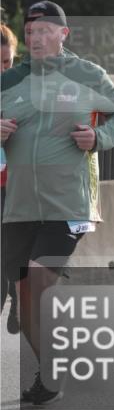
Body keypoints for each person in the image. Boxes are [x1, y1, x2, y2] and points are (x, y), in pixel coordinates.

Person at [1, 1, 114, 405]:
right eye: (30, 32)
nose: (36, 38)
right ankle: (52, 371)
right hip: (19, 207)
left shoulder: (87, 75)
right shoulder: (11, 80)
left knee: (39, 284)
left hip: (67, 206)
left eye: (45, 31)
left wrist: (99, 139)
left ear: (63, 34)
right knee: (24, 305)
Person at [1, 23, 18, 333]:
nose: (3, 69)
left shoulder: (23, 90)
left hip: (16, 187)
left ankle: (18, 297)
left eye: (7, 62)